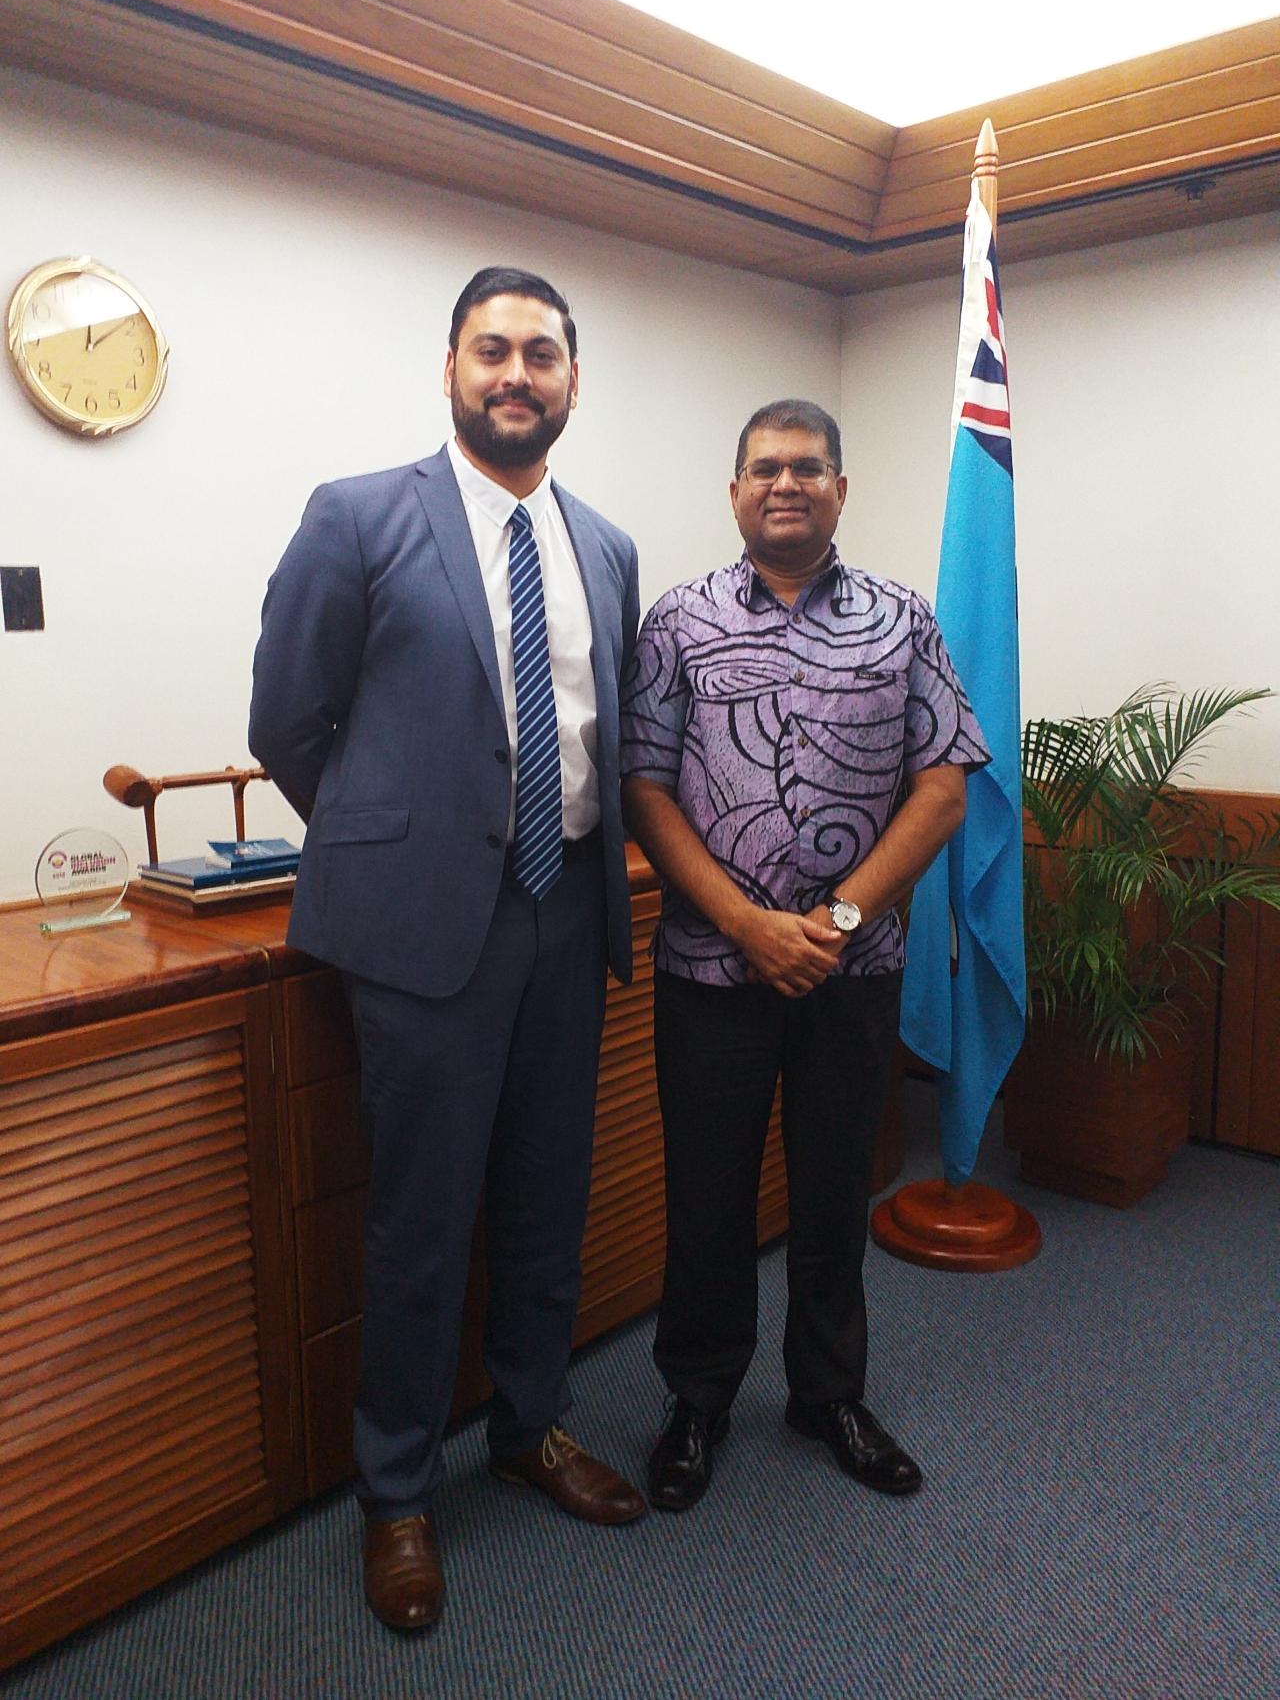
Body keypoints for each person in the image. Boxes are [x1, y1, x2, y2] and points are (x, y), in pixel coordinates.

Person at [249, 266, 645, 1633]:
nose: (517, 373)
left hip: (570, 907)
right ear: (451, 368)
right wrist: (395, 841)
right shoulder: (358, 516)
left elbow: (608, 736)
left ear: (573, 379)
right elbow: (289, 722)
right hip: (423, 934)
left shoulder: (606, 546)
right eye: (493, 350)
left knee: (547, 1196)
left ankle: (533, 1427)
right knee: (419, 1221)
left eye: (542, 351)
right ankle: (397, 1494)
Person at [620, 399, 988, 1511]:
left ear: (839, 489)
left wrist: (831, 923)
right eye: (764, 468)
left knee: (834, 1192)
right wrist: (743, 924)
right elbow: (643, 787)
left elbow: (941, 783)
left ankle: (827, 1394)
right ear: (733, 492)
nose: (785, 484)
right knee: (708, 1198)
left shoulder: (900, 619)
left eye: (807, 468)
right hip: (708, 973)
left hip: (850, 973)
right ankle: (697, 1398)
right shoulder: (674, 623)